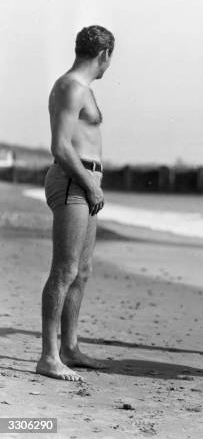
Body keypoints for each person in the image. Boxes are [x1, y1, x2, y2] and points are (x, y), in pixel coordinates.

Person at [36, 26, 114, 381]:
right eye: (109, 60)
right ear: (103, 55)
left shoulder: (84, 89)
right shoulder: (71, 86)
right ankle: (49, 356)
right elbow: (61, 147)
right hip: (72, 180)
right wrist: (90, 185)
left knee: (82, 271)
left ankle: (69, 348)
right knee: (64, 270)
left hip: (85, 181)